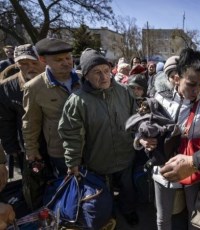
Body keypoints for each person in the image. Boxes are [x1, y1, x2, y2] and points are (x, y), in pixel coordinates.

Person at [140, 48, 200, 230]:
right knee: (162, 218)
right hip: (163, 167)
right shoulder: (159, 98)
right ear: (176, 78)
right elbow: (143, 128)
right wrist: (142, 140)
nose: (196, 90)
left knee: (196, 219)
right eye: (191, 84)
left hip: (192, 167)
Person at [58, 48, 139, 226]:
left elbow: (135, 119)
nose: (103, 77)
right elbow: (70, 134)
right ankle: (108, 218)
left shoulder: (124, 92)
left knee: (127, 188)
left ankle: (129, 211)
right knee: (103, 195)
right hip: (98, 162)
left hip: (125, 156)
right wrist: (72, 162)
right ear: (85, 75)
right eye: (97, 72)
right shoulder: (77, 101)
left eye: (106, 71)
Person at [22, 38, 80, 177]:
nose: (66, 62)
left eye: (68, 58)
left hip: (90, 146)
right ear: (43, 60)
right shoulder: (34, 87)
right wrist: (31, 150)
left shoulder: (84, 79)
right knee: (69, 188)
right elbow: (30, 122)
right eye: (59, 60)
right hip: (60, 150)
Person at [0, 44, 45, 178]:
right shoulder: (6, 88)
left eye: (33, 62)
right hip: (27, 145)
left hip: (55, 143)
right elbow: (5, 120)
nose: (30, 67)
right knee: (34, 182)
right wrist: (11, 147)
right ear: (16, 64)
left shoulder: (53, 79)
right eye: (23, 63)